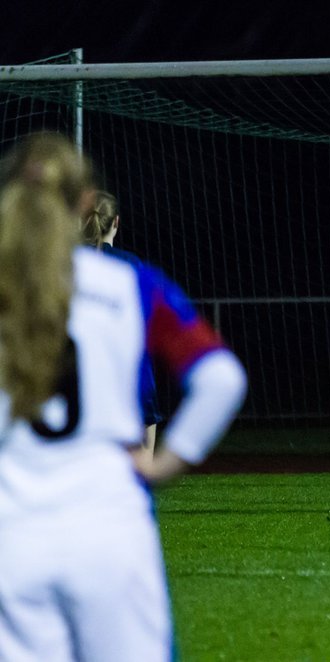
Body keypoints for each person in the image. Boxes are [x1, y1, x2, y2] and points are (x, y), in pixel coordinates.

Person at [0, 132, 247, 661]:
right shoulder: (128, 283)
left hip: (11, 537)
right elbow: (221, 377)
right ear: (86, 203)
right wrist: (165, 464)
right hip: (109, 530)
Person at [82, 189, 163, 457]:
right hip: (128, 372)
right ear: (116, 221)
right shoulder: (131, 265)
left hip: (78, 374)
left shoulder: (63, 265)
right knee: (141, 463)